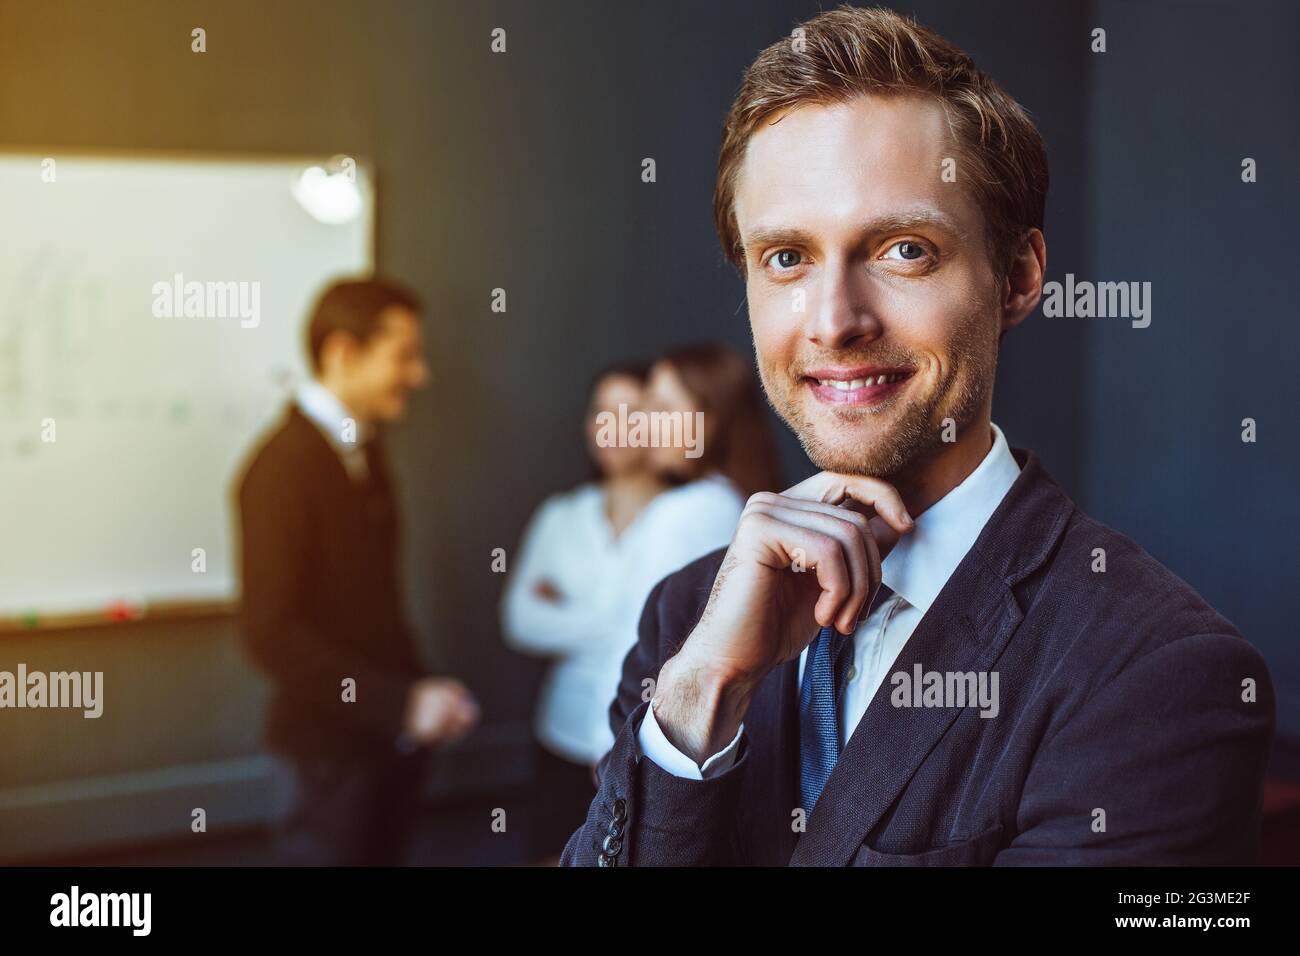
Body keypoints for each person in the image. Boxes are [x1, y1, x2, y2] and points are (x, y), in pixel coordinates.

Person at [562, 7, 1274, 867]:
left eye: (904, 250)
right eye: (787, 257)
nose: (834, 322)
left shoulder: (1159, 675)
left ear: (1017, 277)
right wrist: (698, 697)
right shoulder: (686, 618)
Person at [503, 345, 782, 861]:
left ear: (706, 420)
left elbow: (640, 645)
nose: (643, 424)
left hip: (654, 750)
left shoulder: (685, 513)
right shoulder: (731, 503)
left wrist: (610, 751)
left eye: (661, 407)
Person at [236, 277, 479, 866]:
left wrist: (420, 694)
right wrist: (399, 703)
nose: (419, 376)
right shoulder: (278, 470)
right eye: (403, 356)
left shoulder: (366, 452)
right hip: (325, 760)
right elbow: (269, 633)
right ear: (343, 353)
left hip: (383, 749)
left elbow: (375, 605)